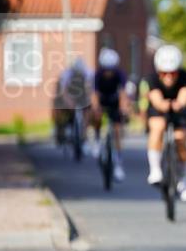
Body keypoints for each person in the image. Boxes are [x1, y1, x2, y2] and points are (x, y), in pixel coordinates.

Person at [145, 44, 186, 201]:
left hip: (179, 111)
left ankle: (183, 178)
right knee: (157, 127)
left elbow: (185, 96)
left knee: (181, 140)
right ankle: (155, 170)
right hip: (159, 110)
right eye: (164, 73)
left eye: (172, 73)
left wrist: (179, 104)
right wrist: (164, 105)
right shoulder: (151, 78)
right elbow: (156, 99)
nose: (168, 77)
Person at [90, 48, 130, 181]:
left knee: (117, 131)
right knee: (96, 115)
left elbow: (123, 94)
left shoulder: (120, 74)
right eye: (106, 69)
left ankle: (118, 163)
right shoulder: (97, 75)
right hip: (102, 99)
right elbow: (94, 95)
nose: (108, 72)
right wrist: (96, 108)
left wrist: (123, 109)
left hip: (114, 100)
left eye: (111, 69)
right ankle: (96, 139)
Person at [52, 57, 92, 147]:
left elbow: (90, 89)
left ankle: (84, 132)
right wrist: (69, 102)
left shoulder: (88, 73)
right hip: (68, 94)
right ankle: (60, 130)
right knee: (60, 109)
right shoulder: (66, 74)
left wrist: (89, 100)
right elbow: (63, 91)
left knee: (88, 109)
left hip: (81, 94)